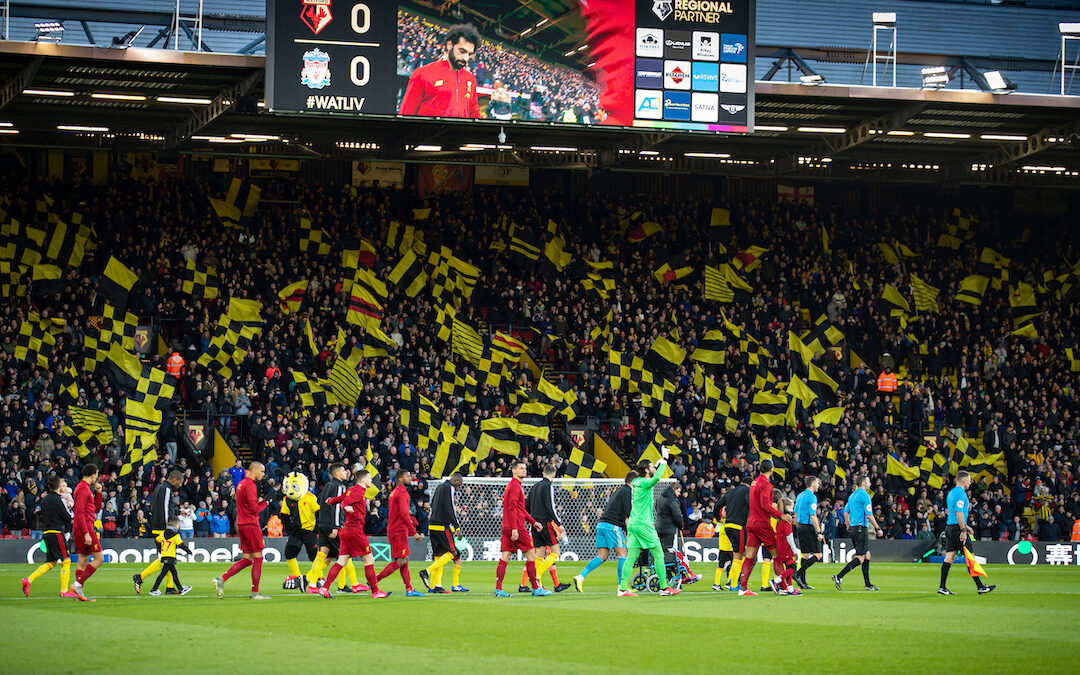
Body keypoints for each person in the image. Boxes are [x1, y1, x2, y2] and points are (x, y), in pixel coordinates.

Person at [618, 447, 681, 597]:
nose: (654, 469)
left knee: (631, 556)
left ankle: (622, 589)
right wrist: (664, 462)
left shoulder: (637, 482)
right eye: (652, 467)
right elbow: (656, 479)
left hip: (633, 524)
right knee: (659, 555)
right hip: (643, 524)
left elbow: (653, 477)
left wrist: (659, 464)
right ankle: (664, 588)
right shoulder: (645, 482)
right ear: (647, 470)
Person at [318, 470, 389, 599]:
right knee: (369, 559)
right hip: (355, 531)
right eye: (369, 478)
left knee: (341, 561)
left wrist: (330, 501)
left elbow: (340, 498)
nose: (371, 480)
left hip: (346, 531)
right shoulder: (356, 492)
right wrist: (346, 507)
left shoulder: (352, 490)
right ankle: (375, 591)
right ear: (363, 480)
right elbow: (345, 502)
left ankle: (324, 588)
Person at [399, 23, 483, 119]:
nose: (465, 58)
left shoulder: (470, 79)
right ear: (449, 45)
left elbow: (474, 113)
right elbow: (406, 114)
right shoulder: (422, 74)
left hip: (460, 133)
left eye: (469, 54)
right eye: (462, 51)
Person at [212, 462, 270, 600]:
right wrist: (267, 502)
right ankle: (255, 592)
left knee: (248, 559)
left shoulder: (241, 484)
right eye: (262, 472)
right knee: (258, 557)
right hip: (251, 524)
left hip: (242, 523)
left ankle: (222, 579)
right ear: (254, 470)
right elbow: (254, 509)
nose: (263, 474)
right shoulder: (250, 485)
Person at [737, 459, 793, 597]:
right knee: (777, 556)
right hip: (762, 524)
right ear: (771, 470)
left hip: (751, 523)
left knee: (749, 556)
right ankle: (783, 587)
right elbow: (765, 505)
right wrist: (781, 515)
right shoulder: (766, 484)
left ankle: (743, 588)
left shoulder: (754, 483)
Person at [493, 460, 549, 597]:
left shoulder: (513, 486)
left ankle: (498, 589)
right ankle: (535, 588)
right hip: (516, 527)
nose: (524, 470)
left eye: (525, 468)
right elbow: (512, 509)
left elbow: (520, 509)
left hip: (507, 526)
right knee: (531, 556)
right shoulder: (515, 486)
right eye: (521, 468)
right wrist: (514, 529)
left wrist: (533, 522)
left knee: (505, 557)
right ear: (513, 471)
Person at [573, 470, 636, 593]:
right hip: (612, 526)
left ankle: (580, 577)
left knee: (602, 556)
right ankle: (621, 587)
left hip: (601, 524)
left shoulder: (619, 490)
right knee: (622, 554)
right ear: (633, 481)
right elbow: (629, 514)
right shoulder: (628, 492)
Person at [304, 463, 362, 594]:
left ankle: (312, 584)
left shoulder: (326, 487)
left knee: (322, 556)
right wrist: (335, 526)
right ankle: (354, 584)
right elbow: (336, 508)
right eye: (343, 470)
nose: (346, 472)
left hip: (323, 524)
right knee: (345, 555)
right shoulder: (338, 487)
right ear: (336, 473)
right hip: (333, 526)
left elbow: (319, 502)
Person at [939, 471, 996, 595]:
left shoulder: (951, 492)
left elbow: (953, 513)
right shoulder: (961, 494)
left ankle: (942, 587)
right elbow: (959, 513)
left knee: (949, 557)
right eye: (969, 480)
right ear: (964, 481)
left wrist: (966, 526)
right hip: (957, 529)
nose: (970, 482)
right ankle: (980, 587)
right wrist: (963, 530)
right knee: (970, 557)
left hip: (949, 527)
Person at [520, 464, 571, 592]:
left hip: (535, 523)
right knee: (555, 553)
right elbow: (551, 507)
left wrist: (531, 519)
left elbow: (527, 506)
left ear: (543, 472)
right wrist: (558, 523)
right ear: (553, 474)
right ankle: (537, 576)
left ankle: (538, 586)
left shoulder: (535, 486)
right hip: (545, 523)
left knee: (539, 555)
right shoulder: (548, 486)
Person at [22, 475, 74, 598]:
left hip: (47, 532)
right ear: (58, 487)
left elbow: (40, 515)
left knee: (51, 562)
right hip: (57, 532)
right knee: (66, 561)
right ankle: (64, 590)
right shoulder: (59, 500)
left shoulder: (44, 500)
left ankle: (28, 580)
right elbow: (67, 517)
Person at [375, 470, 425, 597]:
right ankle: (374, 581)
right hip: (398, 531)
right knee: (401, 560)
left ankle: (409, 589)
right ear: (400, 479)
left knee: (404, 560)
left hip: (395, 529)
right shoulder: (402, 493)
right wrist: (414, 532)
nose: (410, 478)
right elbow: (404, 514)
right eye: (407, 476)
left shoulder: (395, 492)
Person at [134, 469, 183, 594]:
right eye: (180, 482)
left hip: (157, 527)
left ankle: (170, 587)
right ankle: (140, 577)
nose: (180, 485)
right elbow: (165, 510)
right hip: (163, 529)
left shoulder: (159, 488)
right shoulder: (166, 489)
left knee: (167, 559)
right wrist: (169, 529)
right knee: (167, 559)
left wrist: (177, 512)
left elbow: (160, 508)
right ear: (174, 479)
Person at [833, 475, 883, 591]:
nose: (870, 484)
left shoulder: (852, 496)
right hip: (861, 528)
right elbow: (869, 515)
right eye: (869, 482)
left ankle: (868, 584)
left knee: (867, 555)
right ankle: (839, 576)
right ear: (864, 483)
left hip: (855, 528)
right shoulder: (865, 495)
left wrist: (849, 526)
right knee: (860, 557)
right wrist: (878, 528)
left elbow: (846, 513)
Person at [419, 472, 466, 594]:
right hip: (442, 526)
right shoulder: (449, 487)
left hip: (432, 525)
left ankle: (436, 586)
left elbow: (433, 503)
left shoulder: (440, 486)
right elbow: (450, 508)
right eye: (458, 485)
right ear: (455, 480)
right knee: (453, 552)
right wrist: (456, 527)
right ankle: (426, 572)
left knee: (438, 555)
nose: (458, 488)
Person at [69, 464, 105, 602]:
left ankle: (79, 593)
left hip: (81, 528)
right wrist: (86, 533)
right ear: (93, 475)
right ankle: (77, 585)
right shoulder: (83, 489)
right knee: (99, 558)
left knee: (83, 560)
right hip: (86, 528)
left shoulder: (84, 488)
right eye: (96, 474)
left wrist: (99, 493)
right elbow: (78, 513)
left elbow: (95, 509)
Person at [280, 476, 320, 589]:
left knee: (315, 557)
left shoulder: (310, 497)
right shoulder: (287, 499)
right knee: (289, 553)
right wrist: (288, 528)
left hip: (310, 531)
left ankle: (319, 578)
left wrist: (316, 529)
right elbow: (284, 515)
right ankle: (297, 578)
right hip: (296, 531)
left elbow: (318, 513)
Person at [713, 476, 749, 591]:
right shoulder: (748, 491)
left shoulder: (730, 492)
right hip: (739, 527)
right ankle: (733, 584)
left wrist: (718, 518)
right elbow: (750, 504)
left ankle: (732, 582)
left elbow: (717, 505)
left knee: (735, 555)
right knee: (742, 555)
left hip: (727, 526)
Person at [794, 475, 825, 589]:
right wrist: (819, 531)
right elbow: (813, 515)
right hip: (808, 527)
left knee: (806, 554)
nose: (818, 485)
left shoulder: (800, 495)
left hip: (801, 526)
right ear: (812, 484)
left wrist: (798, 527)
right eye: (817, 483)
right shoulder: (812, 497)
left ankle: (802, 582)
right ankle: (797, 574)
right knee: (818, 554)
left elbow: (796, 513)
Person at [149, 517, 192, 596]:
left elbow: (157, 540)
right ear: (176, 524)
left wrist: (160, 549)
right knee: (163, 573)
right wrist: (189, 551)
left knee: (174, 573)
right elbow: (181, 545)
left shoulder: (163, 533)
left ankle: (180, 589)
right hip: (170, 556)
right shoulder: (175, 534)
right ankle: (154, 589)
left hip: (165, 555)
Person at [771, 493, 802, 596]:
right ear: (788, 507)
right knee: (792, 568)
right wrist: (794, 549)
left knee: (788, 566)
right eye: (792, 507)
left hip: (780, 546)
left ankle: (789, 588)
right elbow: (789, 536)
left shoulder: (779, 520)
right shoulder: (787, 519)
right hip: (786, 547)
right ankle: (776, 581)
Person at [654, 484, 684, 575]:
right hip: (668, 528)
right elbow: (677, 515)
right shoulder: (672, 500)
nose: (679, 494)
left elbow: (656, 508)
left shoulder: (660, 497)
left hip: (658, 526)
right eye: (678, 491)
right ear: (674, 489)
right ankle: (667, 572)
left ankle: (658, 569)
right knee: (667, 551)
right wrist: (680, 525)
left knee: (660, 550)